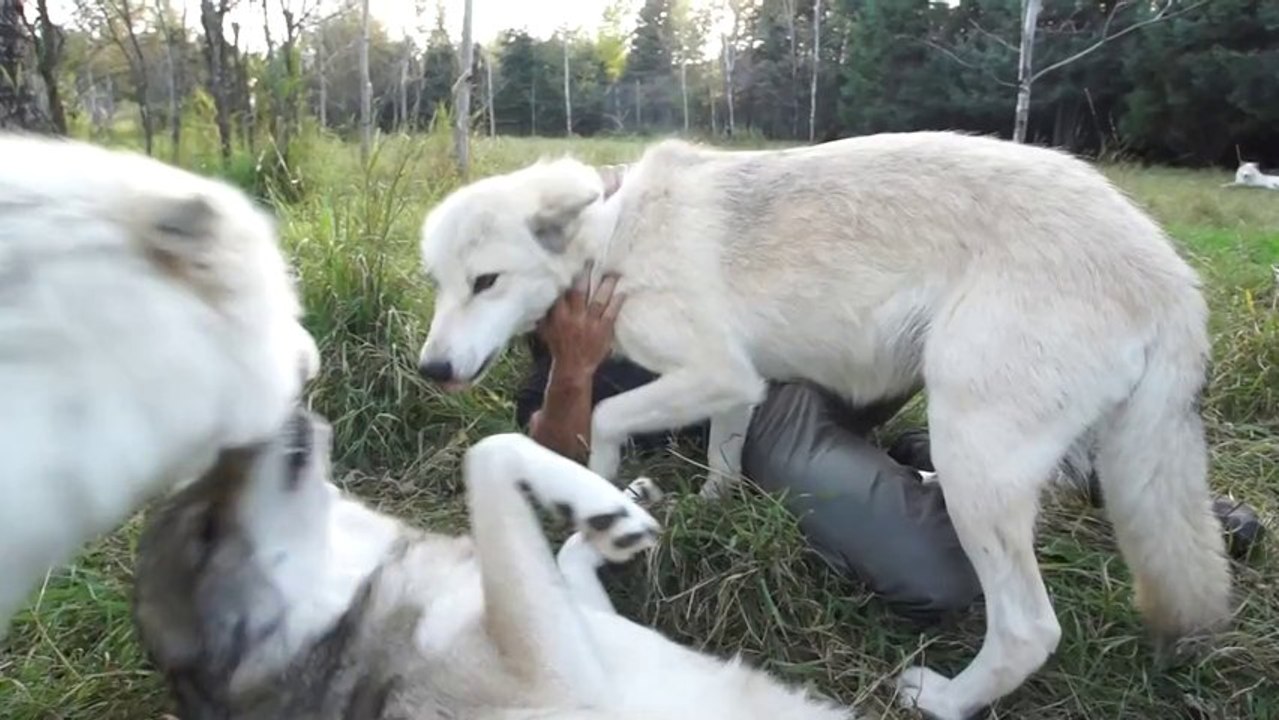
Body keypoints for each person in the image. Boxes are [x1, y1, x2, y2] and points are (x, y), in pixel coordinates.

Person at [516, 272, 1265, 623]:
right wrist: (573, 364)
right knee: (937, 576)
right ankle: (938, 467)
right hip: (762, 423)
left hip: (820, 349)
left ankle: (1155, 493)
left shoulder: (638, 251)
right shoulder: (545, 353)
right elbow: (555, 457)